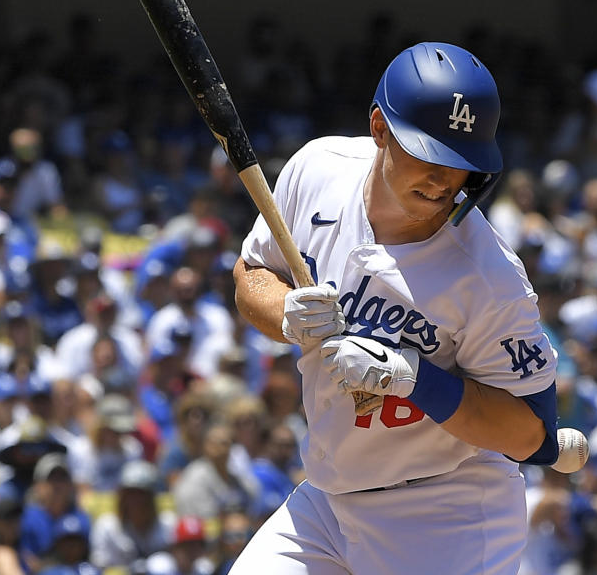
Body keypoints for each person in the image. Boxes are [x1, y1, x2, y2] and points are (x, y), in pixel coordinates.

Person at [230, 42, 559, 574]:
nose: (443, 180)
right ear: (380, 128)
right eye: (428, 153)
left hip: (444, 513)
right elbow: (252, 274)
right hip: (328, 499)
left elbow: (531, 434)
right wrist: (285, 311)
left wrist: (412, 377)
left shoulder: (490, 277)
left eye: (460, 163)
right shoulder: (318, 170)